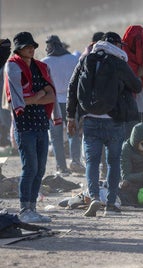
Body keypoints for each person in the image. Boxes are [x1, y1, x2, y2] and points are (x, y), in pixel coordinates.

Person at [67, 32, 142, 217]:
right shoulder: (119, 62)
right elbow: (136, 86)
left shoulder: (86, 59)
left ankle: (93, 197)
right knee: (113, 162)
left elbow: (72, 86)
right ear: (116, 44)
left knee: (92, 162)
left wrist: (70, 117)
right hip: (113, 121)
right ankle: (111, 204)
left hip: (89, 120)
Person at [6, 31, 61, 223]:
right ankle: (24, 209)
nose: (32, 48)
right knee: (29, 167)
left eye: (32, 46)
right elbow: (17, 100)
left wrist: (33, 98)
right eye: (27, 46)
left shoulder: (40, 68)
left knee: (40, 169)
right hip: (24, 126)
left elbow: (51, 95)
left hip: (40, 124)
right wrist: (37, 97)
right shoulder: (13, 67)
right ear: (19, 49)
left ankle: (33, 208)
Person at [41, 34, 83, 175]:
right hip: (72, 100)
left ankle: (61, 167)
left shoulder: (44, 62)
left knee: (56, 136)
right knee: (74, 132)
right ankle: (75, 160)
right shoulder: (73, 59)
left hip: (54, 103)